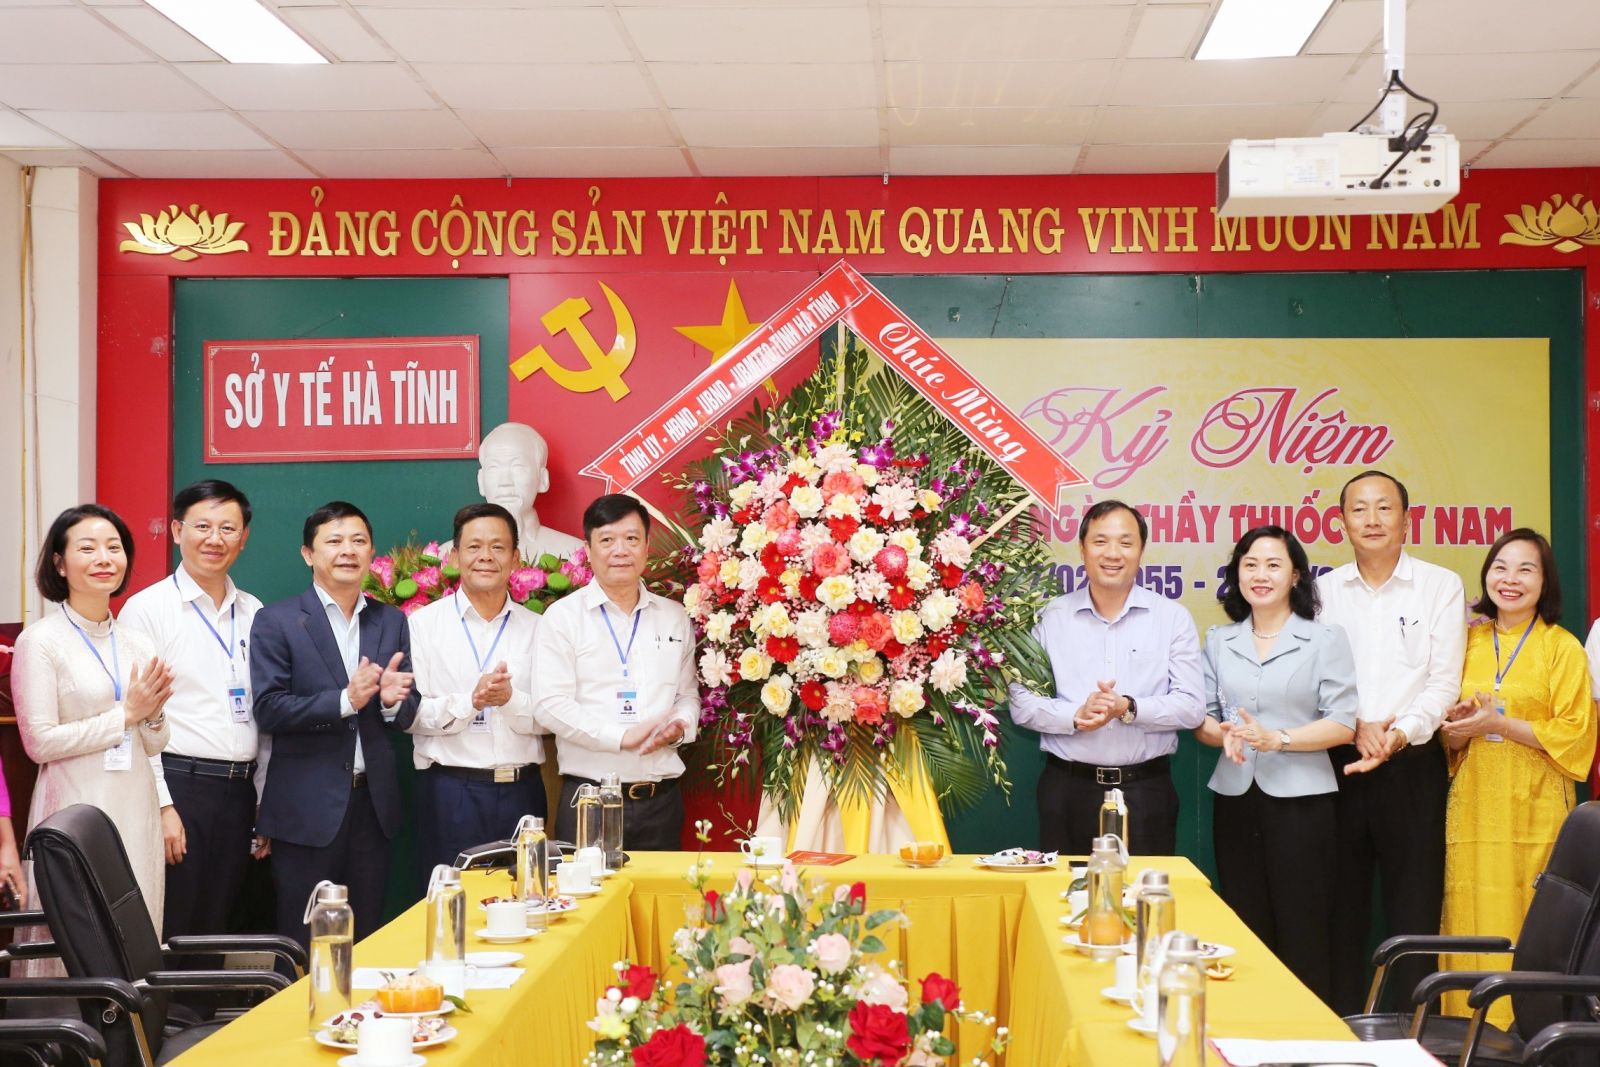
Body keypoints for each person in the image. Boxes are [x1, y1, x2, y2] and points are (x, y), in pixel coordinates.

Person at [1316, 470, 1466, 1014]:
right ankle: (1337, 1027)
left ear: (1407, 519)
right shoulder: (1323, 592)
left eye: (1385, 507)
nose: (1372, 519)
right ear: (1341, 522)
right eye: (1359, 509)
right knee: (1339, 908)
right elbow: (1314, 678)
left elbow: (1444, 683)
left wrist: (1397, 735)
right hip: (1338, 761)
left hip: (1413, 764)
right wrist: (1356, 726)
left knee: (1414, 908)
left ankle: (1416, 1032)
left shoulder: (1440, 586)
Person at [1195, 525, 1357, 1004]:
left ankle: (1306, 1031)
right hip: (1235, 799)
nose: (1260, 575)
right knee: (1245, 926)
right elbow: (1203, 718)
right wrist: (1221, 734)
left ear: (1296, 576)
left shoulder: (1324, 638)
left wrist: (1279, 739)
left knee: (1304, 929)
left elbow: (1343, 724)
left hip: (1302, 804)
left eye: (1273, 565)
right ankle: (1249, 1027)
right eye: (1250, 565)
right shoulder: (1219, 639)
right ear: (1236, 575)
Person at [1439, 529, 1594, 1028]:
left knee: (1533, 918)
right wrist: (1459, 727)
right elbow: (1449, 742)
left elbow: (1576, 735)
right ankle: (1466, 1031)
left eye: (1526, 569)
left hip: (1536, 810)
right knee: (1470, 914)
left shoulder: (1562, 647)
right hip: (1473, 807)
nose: (1510, 579)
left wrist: (1501, 724)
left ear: (1545, 581)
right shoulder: (1466, 641)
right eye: (1500, 567)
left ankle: (1530, 1032)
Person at [250, 501, 419, 944]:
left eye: (358, 541)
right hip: (305, 810)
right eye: (335, 541)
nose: (348, 550)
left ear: (371, 552)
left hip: (373, 808)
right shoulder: (277, 621)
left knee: (366, 937)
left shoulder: (390, 620)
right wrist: (346, 700)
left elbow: (406, 708)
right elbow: (269, 708)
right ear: (308, 554)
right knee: (305, 938)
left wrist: (389, 703)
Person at [1007, 500, 1205, 856]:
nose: (1113, 553)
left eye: (1125, 543)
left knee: (1141, 892)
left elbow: (1191, 708)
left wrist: (1128, 707)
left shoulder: (1172, 618)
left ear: (1141, 550)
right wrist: (1075, 716)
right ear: (1082, 549)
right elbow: (1021, 704)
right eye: (1100, 541)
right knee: (1065, 890)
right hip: (1067, 790)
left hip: (1146, 792)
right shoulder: (1050, 617)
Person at [12, 505, 173, 941]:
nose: (105, 559)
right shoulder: (40, 641)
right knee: (76, 933)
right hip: (73, 807)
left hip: (135, 806)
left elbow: (155, 741)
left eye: (114, 548)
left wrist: (153, 713)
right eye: (88, 548)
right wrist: (126, 715)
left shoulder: (137, 641)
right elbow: (39, 743)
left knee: (134, 932)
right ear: (60, 563)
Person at [119, 479, 267, 942]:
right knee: (174, 923)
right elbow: (136, 718)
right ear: (177, 530)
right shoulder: (148, 610)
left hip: (240, 791)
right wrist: (162, 806)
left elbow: (264, 713)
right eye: (203, 526)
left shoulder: (254, 611)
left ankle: (207, 998)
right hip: (181, 785)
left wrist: (263, 800)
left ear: (243, 538)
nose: (214, 539)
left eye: (228, 528)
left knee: (220, 927)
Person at [533, 494, 699, 850]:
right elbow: (549, 705)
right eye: (607, 540)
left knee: (663, 889)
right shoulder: (563, 618)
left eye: (631, 539)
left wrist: (679, 727)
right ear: (588, 550)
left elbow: (687, 695)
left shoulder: (674, 616)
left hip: (661, 801)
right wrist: (620, 737)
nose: (620, 550)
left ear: (647, 547)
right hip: (589, 802)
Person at [408, 503, 548, 875]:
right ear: (454, 556)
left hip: (523, 793)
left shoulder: (539, 628)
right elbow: (410, 714)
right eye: (474, 546)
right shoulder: (422, 625)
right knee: (452, 902)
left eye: (498, 547)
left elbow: (554, 714)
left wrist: (510, 700)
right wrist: (469, 702)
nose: (486, 556)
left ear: (515, 558)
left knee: (528, 898)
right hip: (451, 792)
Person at [476, 422, 583, 561]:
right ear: (481, 481)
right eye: (493, 468)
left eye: (518, 467)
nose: (505, 482)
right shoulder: (450, 556)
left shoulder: (574, 554)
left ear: (543, 479)